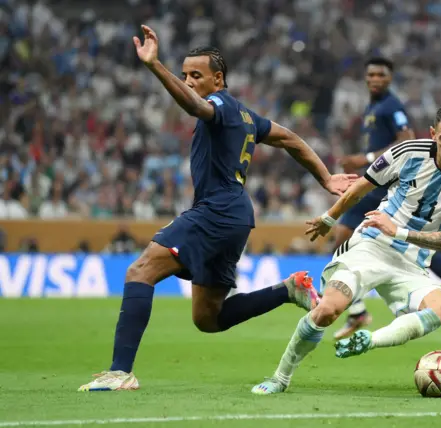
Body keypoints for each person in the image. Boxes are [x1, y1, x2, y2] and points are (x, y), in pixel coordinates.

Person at [78, 25, 356, 392]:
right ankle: (289, 289)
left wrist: (154, 65)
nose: (189, 81)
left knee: (140, 271)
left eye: (197, 75)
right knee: (208, 318)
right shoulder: (245, 116)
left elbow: (194, 105)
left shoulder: (220, 106)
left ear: (218, 78)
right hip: (235, 215)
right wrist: (324, 177)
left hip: (217, 211)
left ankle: (120, 372)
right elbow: (288, 138)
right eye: (184, 75)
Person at [252, 104, 441, 395]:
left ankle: (369, 340)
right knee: (328, 311)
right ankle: (281, 377)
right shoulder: (407, 153)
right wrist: (330, 218)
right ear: (433, 134)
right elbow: (361, 187)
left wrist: (401, 231)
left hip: (412, 264)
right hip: (371, 246)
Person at [334, 58, 441, 340]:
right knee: (410, 247)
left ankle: (357, 309)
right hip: (380, 184)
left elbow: (405, 137)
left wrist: (364, 159)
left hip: (389, 188)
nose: (375, 79)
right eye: (371, 74)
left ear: (390, 79)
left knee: (404, 244)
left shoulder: (392, 106)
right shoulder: (373, 106)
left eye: (381, 74)